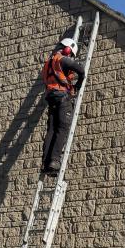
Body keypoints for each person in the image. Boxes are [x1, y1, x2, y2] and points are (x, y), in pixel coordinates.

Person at [41, 37, 85, 175]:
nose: (70, 56)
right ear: (67, 49)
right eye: (71, 53)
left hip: (51, 98)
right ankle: (54, 160)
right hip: (62, 98)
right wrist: (77, 85)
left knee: (52, 130)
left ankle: (45, 163)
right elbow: (81, 71)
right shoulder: (63, 59)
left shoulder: (48, 63)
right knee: (63, 129)